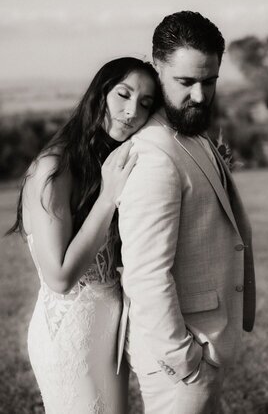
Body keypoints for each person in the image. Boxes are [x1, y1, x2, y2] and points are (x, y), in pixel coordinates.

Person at [117, 11, 256, 413]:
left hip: (203, 344)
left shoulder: (189, 130)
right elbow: (145, 274)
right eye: (185, 82)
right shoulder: (154, 154)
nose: (199, 95)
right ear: (157, 67)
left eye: (209, 82)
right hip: (179, 362)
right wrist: (184, 362)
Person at [7, 57, 161, 414]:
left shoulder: (107, 164)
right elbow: (60, 278)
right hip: (70, 338)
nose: (131, 111)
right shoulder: (53, 169)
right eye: (123, 95)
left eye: (145, 104)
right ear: (100, 94)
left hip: (111, 334)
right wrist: (109, 196)